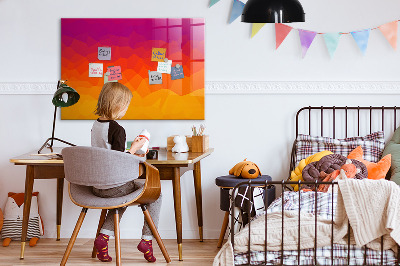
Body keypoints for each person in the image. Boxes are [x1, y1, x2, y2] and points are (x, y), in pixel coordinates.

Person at [91, 82, 162, 263]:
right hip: (114, 186)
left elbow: (108, 154)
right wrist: (135, 148)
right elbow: (119, 161)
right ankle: (147, 240)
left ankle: (104, 238)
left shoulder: (96, 125)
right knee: (156, 194)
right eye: (126, 105)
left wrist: (132, 150)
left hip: (97, 186)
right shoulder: (117, 129)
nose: (126, 109)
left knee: (121, 198)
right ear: (118, 105)